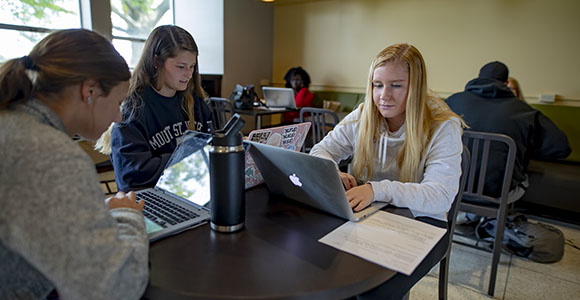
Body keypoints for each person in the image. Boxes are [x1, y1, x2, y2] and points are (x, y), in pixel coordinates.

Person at [0, 29, 148, 299]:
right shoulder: (51, 154)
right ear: (89, 90)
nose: (118, 116)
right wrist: (127, 216)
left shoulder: (12, 122)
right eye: (118, 101)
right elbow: (119, 287)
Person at [310, 43, 464, 299]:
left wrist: (375, 189)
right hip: (371, 214)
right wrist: (331, 170)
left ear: (416, 87)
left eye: (396, 85)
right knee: (324, 269)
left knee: (373, 292)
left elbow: (440, 196)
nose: (383, 96)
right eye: (377, 84)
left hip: (424, 220)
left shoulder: (443, 126)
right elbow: (320, 151)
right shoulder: (364, 113)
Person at [96, 25, 215, 192]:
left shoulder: (198, 104)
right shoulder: (133, 109)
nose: (188, 74)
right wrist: (187, 158)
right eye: (181, 67)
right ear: (156, 61)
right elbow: (131, 176)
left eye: (192, 66)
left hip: (194, 192)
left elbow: (212, 151)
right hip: (150, 198)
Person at [446, 61, 570, 201]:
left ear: (478, 78)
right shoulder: (524, 111)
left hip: (453, 184)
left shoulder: (452, 102)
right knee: (519, 177)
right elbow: (561, 148)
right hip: (499, 192)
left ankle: (468, 215)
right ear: (506, 83)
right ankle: (483, 216)